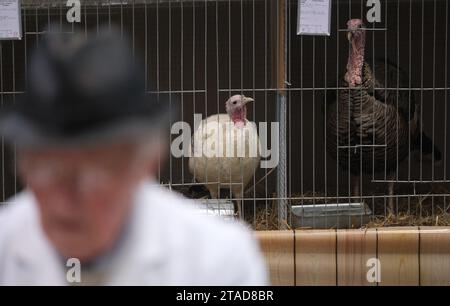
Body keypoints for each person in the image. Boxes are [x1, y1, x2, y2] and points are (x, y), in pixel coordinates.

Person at [0, 29, 267, 285]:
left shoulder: (219, 259)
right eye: (45, 167)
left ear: (148, 163)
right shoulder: (5, 244)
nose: (65, 201)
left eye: (97, 169)